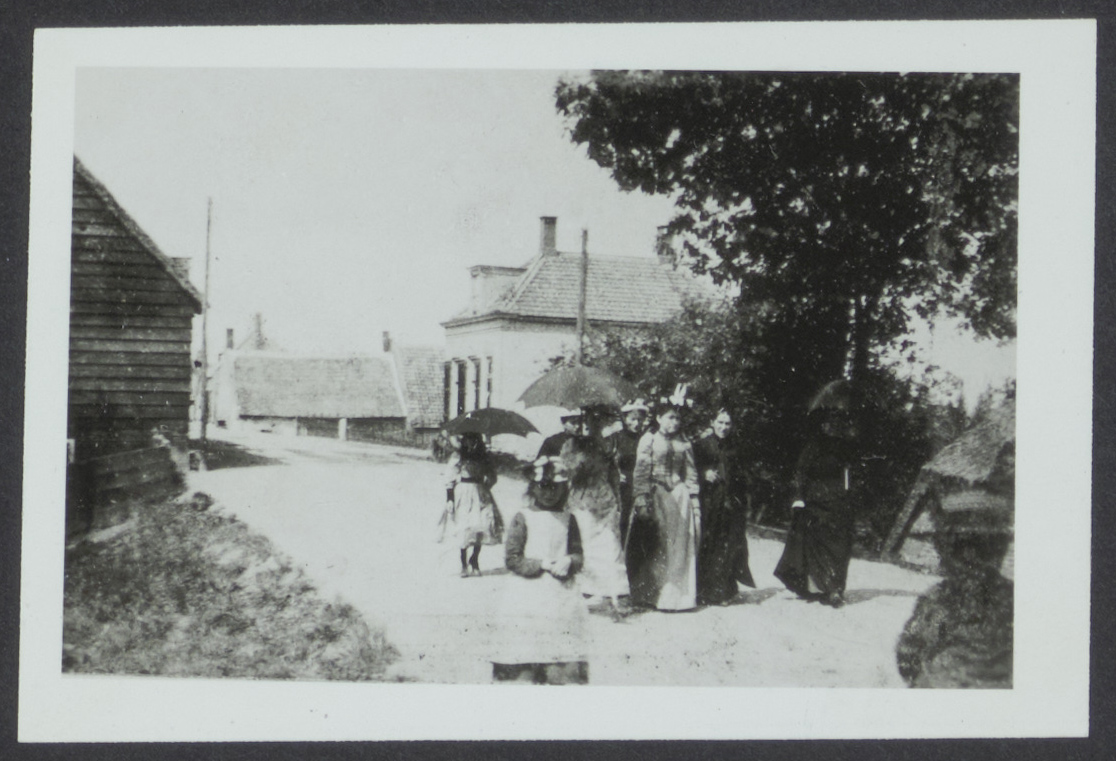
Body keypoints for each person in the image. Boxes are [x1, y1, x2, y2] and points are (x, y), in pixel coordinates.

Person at [895, 490, 1014, 688]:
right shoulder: (1014, 599)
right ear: (999, 551)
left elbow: (908, 655)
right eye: (962, 547)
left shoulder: (938, 599)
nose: (970, 556)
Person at [495, 456, 588, 684]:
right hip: (528, 591)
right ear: (533, 488)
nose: (549, 493)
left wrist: (570, 560)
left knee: (559, 646)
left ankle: (556, 678)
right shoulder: (523, 517)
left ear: (564, 489)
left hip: (560, 593)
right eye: (543, 487)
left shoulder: (569, 519)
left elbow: (578, 553)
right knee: (526, 643)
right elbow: (513, 558)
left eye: (555, 488)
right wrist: (540, 564)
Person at [773, 406, 858, 608]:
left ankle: (835, 588)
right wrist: (798, 497)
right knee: (816, 547)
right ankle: (821, 589)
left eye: (837, 425)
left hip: (838, 503)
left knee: (839, 547)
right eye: (829, 424)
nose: (833, 428)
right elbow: (800, 473)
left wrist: (850, 489)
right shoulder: (813, 447)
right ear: (823, 426)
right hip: (815, 502)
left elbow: (851, 476)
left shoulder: (845, 449)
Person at [629, 396, 701, 611]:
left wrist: (694, 500)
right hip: (656, 494)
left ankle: (676, 598)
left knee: (678, 546)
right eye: (670, 417)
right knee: (656, 544)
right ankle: (651, 595)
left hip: (679, 496)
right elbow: (641, 471)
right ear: (659, 418)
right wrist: (641, 497)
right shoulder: (649, 439)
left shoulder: (684, 443)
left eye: (677, 418)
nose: (674, 422)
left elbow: (691, 473)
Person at [560, 429, 630, 609]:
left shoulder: (606, 447)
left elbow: (613, 475)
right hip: (582, 500)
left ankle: (616, 590)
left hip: (603, 499)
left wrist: (617, 501)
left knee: (609, 542)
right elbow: (568, 471)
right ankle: (589, 588)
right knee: (585, 542)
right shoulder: (572, 446)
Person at [694, 409, 756, 606]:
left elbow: (746, 474)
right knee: (708, 542)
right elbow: (689, 468)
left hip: (731, 502)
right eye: (720, 422)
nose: (723, 427)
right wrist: (704, 473)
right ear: (712, 422)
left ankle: (722, 592)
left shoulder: (737, 447)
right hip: (709, 501)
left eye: (727, 423)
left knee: (728, 544)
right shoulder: (701, 445)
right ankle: (702, 590)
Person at [438, 432, 503, 577]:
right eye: (468, 439)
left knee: (482, 525)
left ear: (478, 441)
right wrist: (450, 498)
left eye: (474, 440)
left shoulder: (484, 456)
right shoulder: (458, 456)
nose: (471, 442)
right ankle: (463, 564)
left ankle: (474, 560)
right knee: (465, 527)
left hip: (481, 492)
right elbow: (449, 477)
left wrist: (485, 486)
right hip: (463, 493)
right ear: (464, 441)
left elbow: (492, 476)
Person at [607, 399, 648, 544]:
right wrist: (616, 474)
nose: (636, 423)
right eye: (632, 419)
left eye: (639, 419)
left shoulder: (645, 439)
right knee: (622, 519)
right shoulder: (615, 438)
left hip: (641, 483)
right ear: (625, 419)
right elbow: (607, 462)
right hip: (621, 485)